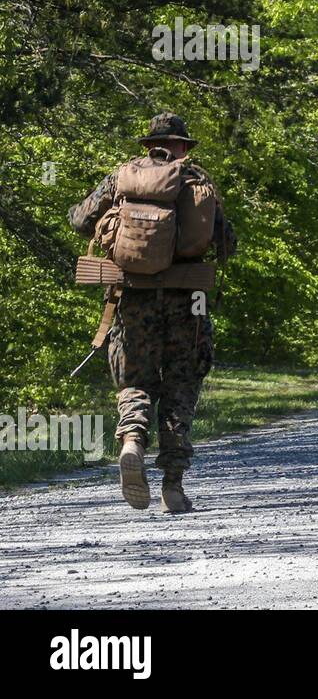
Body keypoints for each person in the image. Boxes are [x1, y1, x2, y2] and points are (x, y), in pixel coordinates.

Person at [69, 112, 236, 512]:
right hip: (188, 306)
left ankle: (131, 441)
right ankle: (173, 486)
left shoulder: (122, 178)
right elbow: (227, 243)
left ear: (148, 146)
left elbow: (79, 220)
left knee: (135, 379)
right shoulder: (197, 181)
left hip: (132, 302)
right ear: (182, 147)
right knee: (181, 386)